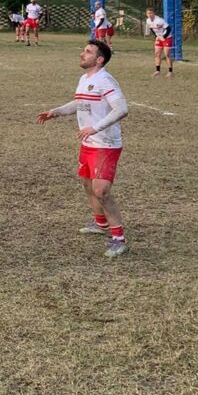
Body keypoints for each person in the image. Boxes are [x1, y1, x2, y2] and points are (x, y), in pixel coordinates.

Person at [36, 40, 130, 258]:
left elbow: (122, 109)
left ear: (99, 60)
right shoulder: (85, 79)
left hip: (105, 145)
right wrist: (55, 112)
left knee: (101, 191)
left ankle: (119, 239)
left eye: (88, 52)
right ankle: (100, 224)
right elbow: (80, 103)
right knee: (88, 186)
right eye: (83, 50)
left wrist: (95, 128)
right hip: (88, 144)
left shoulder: (105, 80)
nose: (82, 54)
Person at [145, 7, 174, 77]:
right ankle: (157, 71)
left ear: (154, 13)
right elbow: (151, 29)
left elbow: (168, 28)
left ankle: (170, 72)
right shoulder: (148, 21)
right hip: (159, 38)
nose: (150, 15)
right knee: (157, 54)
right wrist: (156, 36)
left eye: (151, 13)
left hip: (167, 38)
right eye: (148, 13)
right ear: (146, 14)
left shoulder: (159, 20)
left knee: (167, 54)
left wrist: (163, 37)